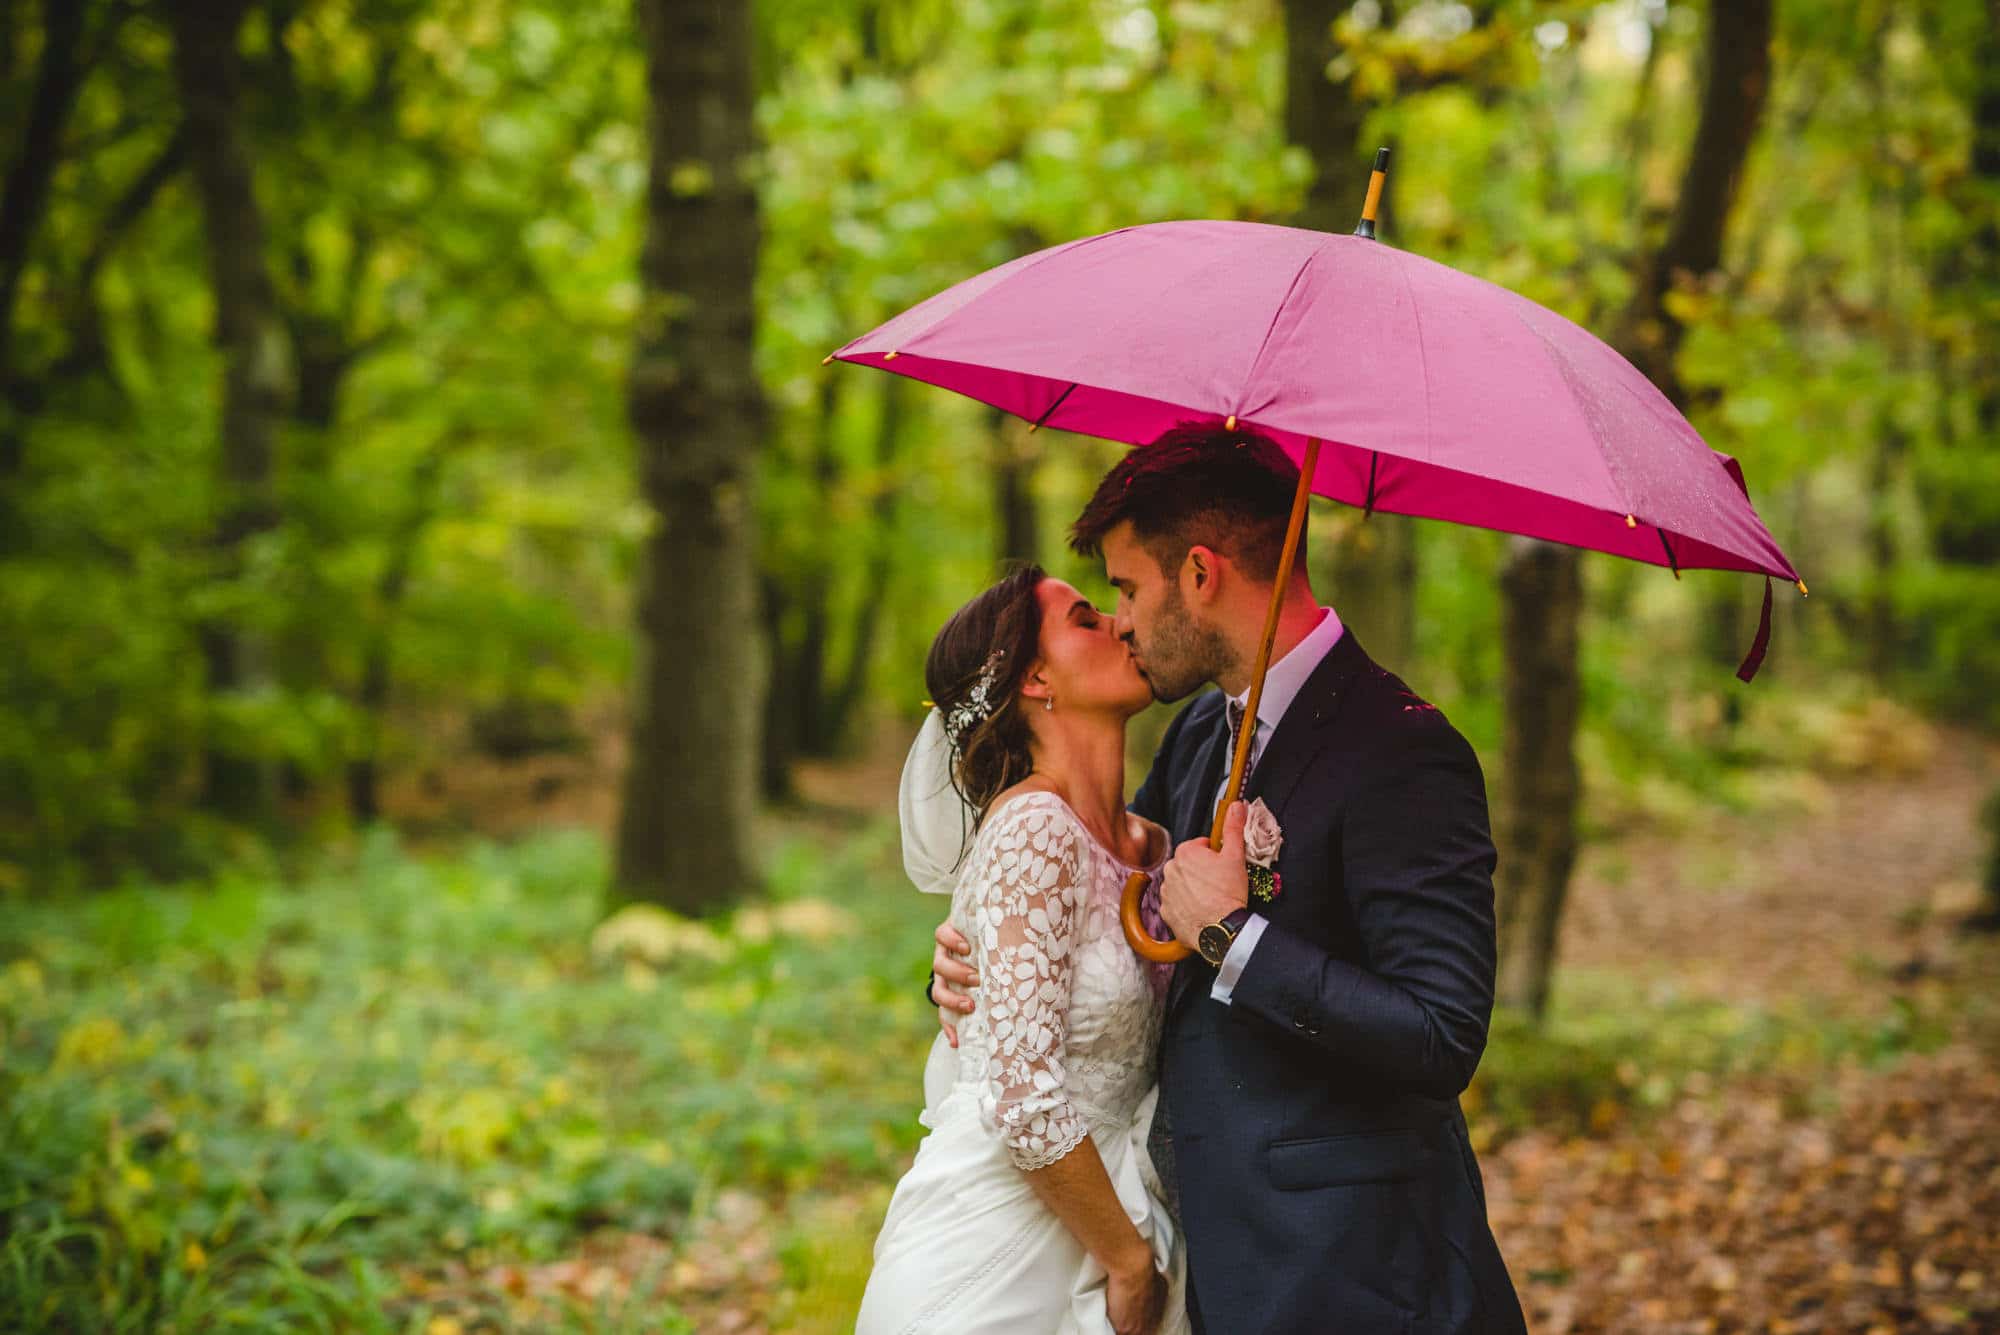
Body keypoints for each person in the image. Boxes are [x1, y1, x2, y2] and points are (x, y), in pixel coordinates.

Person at [928, 423, 1528, 1332]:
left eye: (1127, 588)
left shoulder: (1404, 751)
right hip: (1206, 1256)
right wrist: (968, 969)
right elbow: (1093, 911)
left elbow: (1443, 1033)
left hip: (1352, 1272)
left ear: (1200, 575)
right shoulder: (1201, 736)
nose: (1120, 619)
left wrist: (1237, 938)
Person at [857, 564, 1189, 1335]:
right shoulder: (1035, 828)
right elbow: (1021, 1093)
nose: (1120, 623)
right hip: (1004, 1236)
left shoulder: (1154, 845)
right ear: (1037, 678)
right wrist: (1128, 1260)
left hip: (1122, 1197)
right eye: (1085, 616)